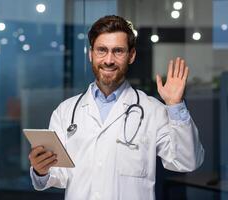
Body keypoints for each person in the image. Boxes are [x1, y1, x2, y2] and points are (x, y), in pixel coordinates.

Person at [29, 15, 204, 200]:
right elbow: (59, 175)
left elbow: (187, 162)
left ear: (132, 55)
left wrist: (175, 105)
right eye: (102, 50)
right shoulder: (66, 111)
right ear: (91, 54)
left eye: (118, 51)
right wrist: (42, 170)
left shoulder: (152, 110)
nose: (109, 60)